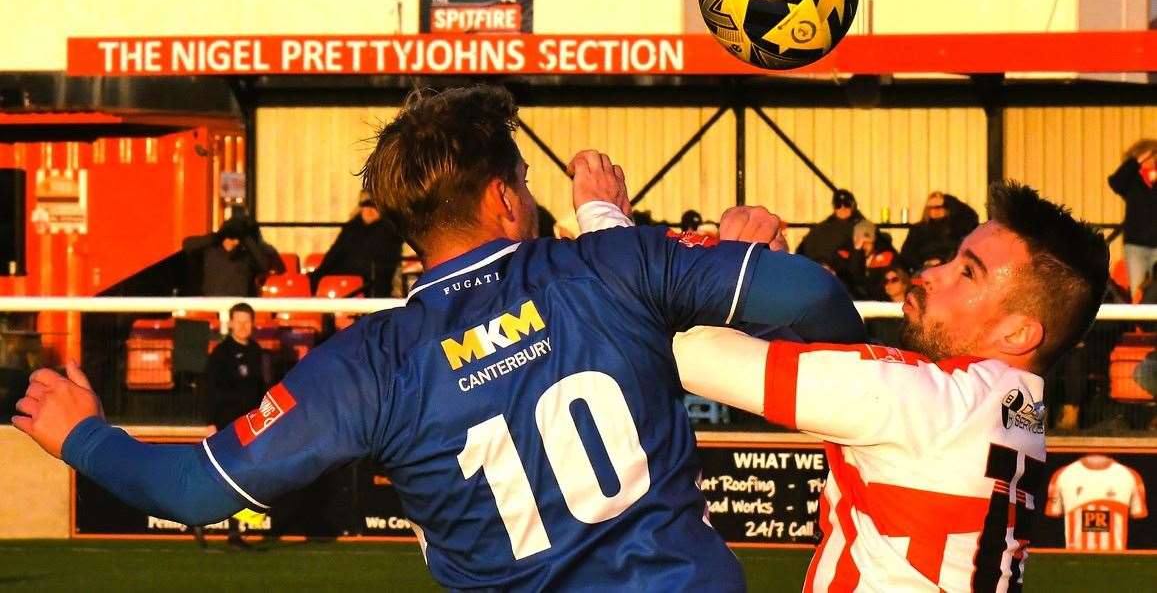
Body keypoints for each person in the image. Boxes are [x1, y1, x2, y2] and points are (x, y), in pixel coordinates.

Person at [14, 85, 864, 591]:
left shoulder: (368, 363)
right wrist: (838, 396)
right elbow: (811, 294)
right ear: (502, 198)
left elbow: (196, 490)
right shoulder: (608, 263)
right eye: (524, 184)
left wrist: (79, 433)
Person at [672, 182, 1108, 591]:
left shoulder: (928, 402)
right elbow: (830, 365)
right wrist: (769, 281)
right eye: (953, 258)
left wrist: (611, 224)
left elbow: (691, 355)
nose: (932, 273)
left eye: (968, 273)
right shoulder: (1009, 404)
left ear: (1018, 334)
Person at [199, 302, 268, 549]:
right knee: (227, 478)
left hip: (251, 427)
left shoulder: (257, 351)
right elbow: (208, 391)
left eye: (247, 321)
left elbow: (262, 389)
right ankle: (207, 520)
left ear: (253, 323)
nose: (242, 326)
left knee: (243, 479)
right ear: (229, 324)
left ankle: (233, 531)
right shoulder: (220, 354)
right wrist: (210, 422)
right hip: (227, 427)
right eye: (238, 321)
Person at [309, 191, 404, 298]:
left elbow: (384, 269)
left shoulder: (390, 231)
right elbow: (332, 257)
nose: (369, 209)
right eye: (365, 205)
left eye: (374, 205)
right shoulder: (350, 229)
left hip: (371, 289)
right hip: (340, 283)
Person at [182, 208, 283, 297]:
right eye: (229, 237)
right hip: (211, 305)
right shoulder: (210, 249)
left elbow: (264, 265)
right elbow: (187, 245)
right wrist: (219, 235)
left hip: (238, 307)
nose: (231, 241)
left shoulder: (248, 254)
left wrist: (246, 237)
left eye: (235, 237)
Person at [1108, 138, 1157, 301]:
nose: (1151, 159)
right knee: (1137, 291)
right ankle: (1140, 326)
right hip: (1135, 246)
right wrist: (1136, 161)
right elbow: (1115, 182)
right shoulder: (1131, 182)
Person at [901, 190, 980, 271]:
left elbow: (971, 215)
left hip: (950, 268)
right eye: (931, 207)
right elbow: (907, 254)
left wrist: (947, 199)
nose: (935, 210)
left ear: (947, 208)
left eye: (939, 206)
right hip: (925, 269)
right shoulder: (918, 229)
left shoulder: (956, 227)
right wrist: (924, 263)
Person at [796, 188, 864, 266]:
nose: (842, 208)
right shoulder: (819, 229)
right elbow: (801, 253)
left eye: (846, 204)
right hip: (819, 272)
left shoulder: (862, 227)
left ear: (852, 206)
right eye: (838, 205)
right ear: (834, 207)